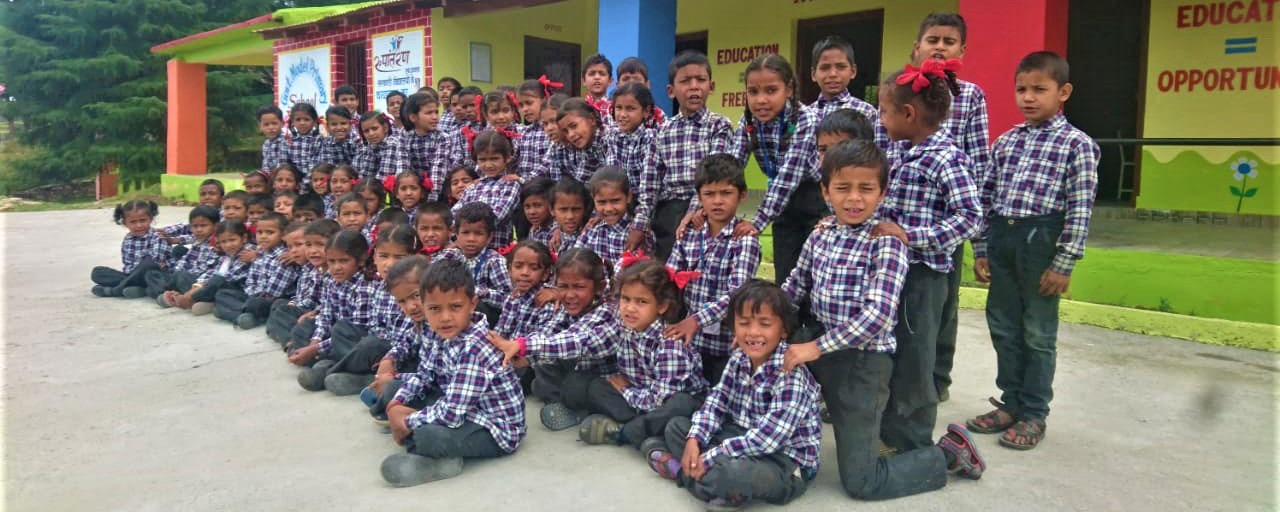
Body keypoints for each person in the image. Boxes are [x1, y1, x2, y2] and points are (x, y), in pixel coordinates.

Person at [782, 140, 986, 501]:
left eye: (866, 189)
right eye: (843, 188)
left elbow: (876, 318)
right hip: (823, 347)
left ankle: (947, 455)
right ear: (826, 191)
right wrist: (761, 320)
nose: (854, 199)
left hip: (863, 363)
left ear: (883, 192)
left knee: (862, 481)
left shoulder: (887, 242)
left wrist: (813, 348)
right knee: (770, 358)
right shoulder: (822, 233)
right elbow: (795, 286)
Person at [967, 51, 1099, 451]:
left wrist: (1064, 263)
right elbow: (986, 198)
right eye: (1021, 89)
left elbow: (1080, 209)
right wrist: (982, 247)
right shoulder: (1006, 143)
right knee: (1003, 326)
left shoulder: (1078, 145)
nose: (1028, 97)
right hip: (1003, 240)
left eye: (1039, 89)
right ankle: (1010, 403)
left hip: (1042, 244)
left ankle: (1034, 413)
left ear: (1064, 92)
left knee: (1038, 333)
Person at [875, 58, 982, 452]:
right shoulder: (902, 152)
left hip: (923, 277)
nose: (881, 120)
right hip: (893, 272)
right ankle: (890, 430)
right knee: (894, 351)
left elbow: (970, 217)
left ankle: (913, 442)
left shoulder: (945, 158)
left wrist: (911, 236)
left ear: (908, 113)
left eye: (884, 112)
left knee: (916, 359)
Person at [653, 280, 821, 509]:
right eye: (744, 323)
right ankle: (719, 489)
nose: (753, 332)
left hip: (784, 460)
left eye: (765, 324)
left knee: (734, 475)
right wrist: (694, 439)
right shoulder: (739, 359)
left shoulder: (791, 374)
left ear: (783, 330)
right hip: (741, 435)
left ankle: (685, 474)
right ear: (733, 327)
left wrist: (710, 456)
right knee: (677, 428)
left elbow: (767, 439)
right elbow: (716, 402)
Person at [379, 258, 526, 488]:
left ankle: (442, 462)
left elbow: (452, 414)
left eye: (455, 307)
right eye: (435, 309)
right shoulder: (442, 333)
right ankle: (418, 439)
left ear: (472, 304)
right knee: (394, 391)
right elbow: (425, 374)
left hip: (494, 428)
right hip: (463, 407)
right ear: (425, 307)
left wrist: (406, 421)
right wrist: (395, 405)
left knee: (428, 436)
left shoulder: (475, 348)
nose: (445, 317)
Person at [908, 12, 993, 401]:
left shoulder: (971, 96)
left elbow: (978, 163)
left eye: (949, 41)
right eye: (932, 40)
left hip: (949, 222)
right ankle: (902, 373)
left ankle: (937, 378)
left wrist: (979, 239)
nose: (940, 47)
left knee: (943, 302)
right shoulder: (904, 90)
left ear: (962, 51)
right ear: (917, 47)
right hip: (905, 215)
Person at [723, 54, 824, 286]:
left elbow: (788, 177)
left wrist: (757, 223)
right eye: (753, 91)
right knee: (786, 276)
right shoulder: (748, 121)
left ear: (788, 89)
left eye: (771, 90)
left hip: (815, 199)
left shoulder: (806, 120)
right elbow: (732, 166)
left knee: (815, 276)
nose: (761, 100)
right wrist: (709, 205)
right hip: (782, 206)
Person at [664, 154, 760, 385]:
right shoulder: (689, 234)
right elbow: (667, 277)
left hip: (727, 345)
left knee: (720, 394)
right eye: (709, 194)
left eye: (726, 193)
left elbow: (736, 295)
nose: (717, 201)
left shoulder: (745, 241)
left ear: (742, 196)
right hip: (690, 341)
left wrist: (695, 321)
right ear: (699, 198)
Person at [635, 51, 733, 261]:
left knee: (698, 270)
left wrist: (695, 210)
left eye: (700, 80)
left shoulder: (719, 126)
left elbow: (714, 174)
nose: (694, 86)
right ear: (671, 91)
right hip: (668, 214)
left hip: (705, 211)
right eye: (685, 81)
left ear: (711, 86)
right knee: (666, 272)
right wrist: (640, 224)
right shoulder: (662, 131)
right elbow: (650, 183)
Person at [515, 247, 613, 431]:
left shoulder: (606, 312)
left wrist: (523, 345)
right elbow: (548, 331)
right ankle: (566, 403)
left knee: (575, 386)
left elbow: (575, 340)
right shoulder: (568, 308)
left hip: (601, 378)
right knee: (541, 372)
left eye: (578, 287)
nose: (569, 295)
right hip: (576, 367)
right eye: (563, 286)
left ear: (599, 288)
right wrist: (523, 354)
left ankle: (583, 411)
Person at [320, 224, 421, 395]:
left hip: (402, 355)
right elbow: (373, 328)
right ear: (374, 257)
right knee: (342, 329)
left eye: (399, 257)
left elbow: (409, 340)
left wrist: (386, 355)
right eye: (383, 256)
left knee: (370, 345)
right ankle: (369, 377)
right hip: (378, 350)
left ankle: (331, 371)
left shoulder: (416, 291)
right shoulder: (380, 287)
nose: (389, 264)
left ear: (414, 259)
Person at [286, 230, 380, 389]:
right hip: (336, 340)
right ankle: (322, 360)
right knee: (305, 326)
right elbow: (325, 316)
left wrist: (315, 349)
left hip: (356, 342)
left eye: (343, 261)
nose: (336, 268)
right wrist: (314, 342)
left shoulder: (366, 287)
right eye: (331, 261)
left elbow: (357, 330)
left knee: (342, 330)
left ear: (361, 259)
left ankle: (334, 370)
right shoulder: (331, 281)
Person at [213, 213, 300, 329]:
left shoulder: (284, 258)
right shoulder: (257, 253)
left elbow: (273, 292)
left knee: (256, 303)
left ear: (283, 235)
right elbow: (250, 282)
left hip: (270, 300)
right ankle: (245, 317)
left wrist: (254, 297)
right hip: (254, 296)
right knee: (222, 294)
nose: (263, 236)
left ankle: (233, 313)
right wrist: (251, 294)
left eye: (270, 232)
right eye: (260, 232)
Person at [266, 219, 340, 350]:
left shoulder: (336, 273)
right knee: (281, 306)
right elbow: (303, 297)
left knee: (296, 319)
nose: (313, 251)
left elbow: (326, 306)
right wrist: (294, 304)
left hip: (325, 318)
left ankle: (293, 342)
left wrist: (313, 313)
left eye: (320, 245)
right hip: (312, 311)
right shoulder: (315, 270)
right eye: (308, 245)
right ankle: (290, 339)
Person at [439, 202, 511, 325]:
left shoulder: (495, 261)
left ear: (489, 237)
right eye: (465, 232)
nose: (471, 239)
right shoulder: (451, 255)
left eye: (478, 233)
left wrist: (477, 292)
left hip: (485, 317)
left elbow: (508, 298)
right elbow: (431, 275)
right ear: (457, 234)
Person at [164, 219, 255, 316]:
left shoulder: (248, 252)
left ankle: (189, 300)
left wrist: (191, 295)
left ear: (244, 238)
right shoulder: (226, 255)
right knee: (186, 277)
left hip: (239, 291)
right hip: (218, 288)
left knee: (218, 284)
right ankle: (204, 301)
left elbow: (228, 278)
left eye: (232, 240)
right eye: (223, 242)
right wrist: (197, 286)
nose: (228, 245)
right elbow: (211, 273)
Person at [452, 130, 521, 249]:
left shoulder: (510, 185)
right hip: (467, 249)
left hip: (496, 249)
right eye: (482, 160)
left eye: (494, 159)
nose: (488, 165)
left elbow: (497, 216)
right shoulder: (475, 186)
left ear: (507, 158)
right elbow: (456, 211)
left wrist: (465, 227)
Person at [90, 200, 171, 298]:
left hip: (153, 276)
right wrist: (133, 275)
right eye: (133, 222)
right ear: (125, 223)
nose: (139, 225)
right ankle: (138, 288)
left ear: (150, 219)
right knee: (97, 272)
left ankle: (116, 291)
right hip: (132, 276)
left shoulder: (158, 236)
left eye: (143, 220)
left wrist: (139, 270)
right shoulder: (128, 239)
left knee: (149, 263)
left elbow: (156, 263)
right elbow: (127, 265)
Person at [580, 167, 652, 268]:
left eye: (615, 201)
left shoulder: (636, 234)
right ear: (593, 200)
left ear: (628, 197)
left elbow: (634, 270)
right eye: (602, 202)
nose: (608, 208)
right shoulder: (592, 228)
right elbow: (577, 257)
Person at [146, 205, 221, 300]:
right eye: (195, 226)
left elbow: (208, 272)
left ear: (216, 226)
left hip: (196, 281)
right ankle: (166, 292)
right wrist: (171, 269)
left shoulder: (216, 244)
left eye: (203, 226)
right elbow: (186, 243)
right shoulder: (198, 238)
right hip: (181, 275)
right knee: (151, 273)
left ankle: (164, 293)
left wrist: (178, 274)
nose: (198, 229)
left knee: (180, 276)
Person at [531, 98, 613, 183]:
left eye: (574, 126)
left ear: (591, 119)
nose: (570, 135)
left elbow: (613, 179)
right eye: (565, 131)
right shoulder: (583, 146)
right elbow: (577, 181)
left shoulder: (609, 139)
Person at [400, 91, 461, 201]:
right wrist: (404, 192)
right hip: (415, 188)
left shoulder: (443, 138)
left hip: (440, 189)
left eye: (436, 112)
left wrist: (431, 200)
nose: (435, 117)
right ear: (413, 117)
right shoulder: (405, 135)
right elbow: (403, 165)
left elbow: (438, 171)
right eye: (429, 113)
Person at [805, 36, 879, 126]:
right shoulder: (805, 115)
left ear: (853, 71)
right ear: (813, 74)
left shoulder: (867, 112)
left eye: (841, 67)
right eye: (825, 68)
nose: (833, 74)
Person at [607, 82, 657, 197]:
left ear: (646, 111)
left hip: (644, 200)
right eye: (619, 108)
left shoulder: (650, 139)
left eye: (630, 109)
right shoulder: (613, 136)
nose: (623, 114)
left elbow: (649, 185)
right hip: (619, 199)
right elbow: (611, 176)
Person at [157, 179, 224, 245]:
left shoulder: (224, 216)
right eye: (203, 194)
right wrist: (161, 231)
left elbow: (202, 235)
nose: (207, 197)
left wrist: (176, 240)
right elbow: (185, 227)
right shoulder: (201, 213)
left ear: (222, 198)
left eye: (212, 194)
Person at [352, 111, 410, 181]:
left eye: (374, 128)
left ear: (385, 128)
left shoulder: (391, 144)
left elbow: (384, 177)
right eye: (366, 131)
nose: (371, 133)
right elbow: (366, 173)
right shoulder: (371, 146)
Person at [615, 57, 667, 127]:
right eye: (626, 79)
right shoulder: (607, 112)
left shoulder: (658, 115)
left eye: (637, 79)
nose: (631, 84)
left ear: (647, 85)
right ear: (617, 85)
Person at [547, 177, 591, 254]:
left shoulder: (591, 238)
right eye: (563, 210)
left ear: (585, 209)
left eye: (576, 209)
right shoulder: (547, 236)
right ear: (552, 210)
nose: (570, 216)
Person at [285, 103, 323, 179]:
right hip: (293, 180)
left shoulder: (318, 140)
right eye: (298, 120)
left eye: (306, 119)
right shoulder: (289, 141)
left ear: (314, 122)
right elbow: (286, 164)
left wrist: (305, 181)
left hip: (313, 179)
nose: (302, 123)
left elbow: (315, 165)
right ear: (292, 122)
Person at [519, 177, 556, 244]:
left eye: (538, 205)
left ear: (552, 205)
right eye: (527, 207)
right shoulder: (534, 231)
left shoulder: (559, 233)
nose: (532, 212)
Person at [581, 54, 614, 122]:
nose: (597, 77)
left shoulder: (615, 108)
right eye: (592, 74)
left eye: (602, 74)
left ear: (610, 81)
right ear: (584, 81)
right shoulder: (578, 108)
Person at [258, 105, 285, 171]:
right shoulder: (266, 144)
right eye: (266, 124)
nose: (271, 127)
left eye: (274, 123)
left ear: (282, 123)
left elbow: (282, 165)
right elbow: (265, 164)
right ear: (260, 126)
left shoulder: (286, 141)